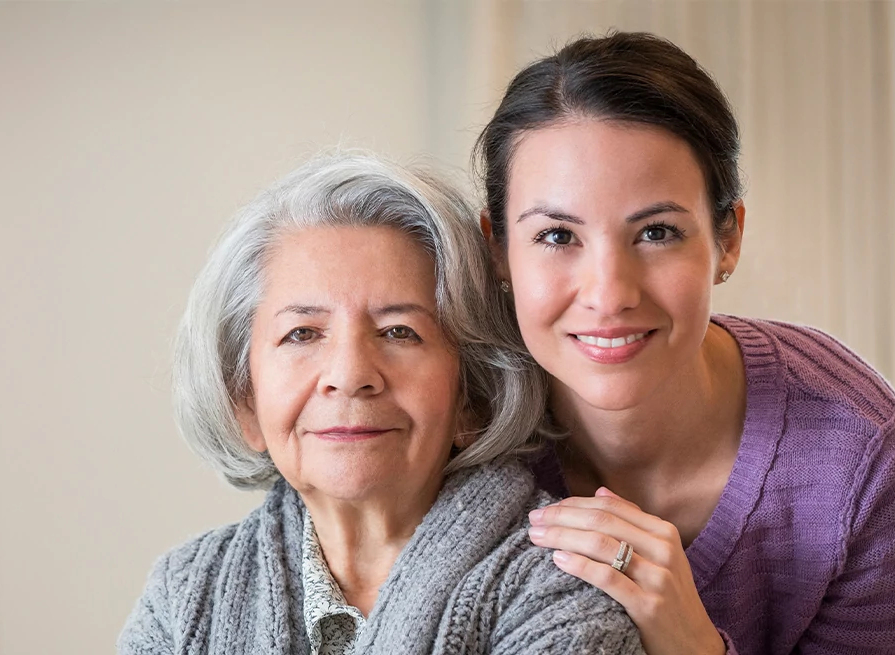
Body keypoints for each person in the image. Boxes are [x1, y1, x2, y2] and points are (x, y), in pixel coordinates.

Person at [475, 31, 895, 655]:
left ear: (727, 239)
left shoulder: (859, 455)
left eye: (656, 232)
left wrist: (692, 644)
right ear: (497, 249)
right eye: (556, 236)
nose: (609, 294)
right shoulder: (458, 424)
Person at [118, 152, 644, 654]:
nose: (350, 377)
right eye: (302, 334)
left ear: (473, 395)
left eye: (399, 332)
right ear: (245, 400)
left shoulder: (564, 588)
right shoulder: (181, 597)